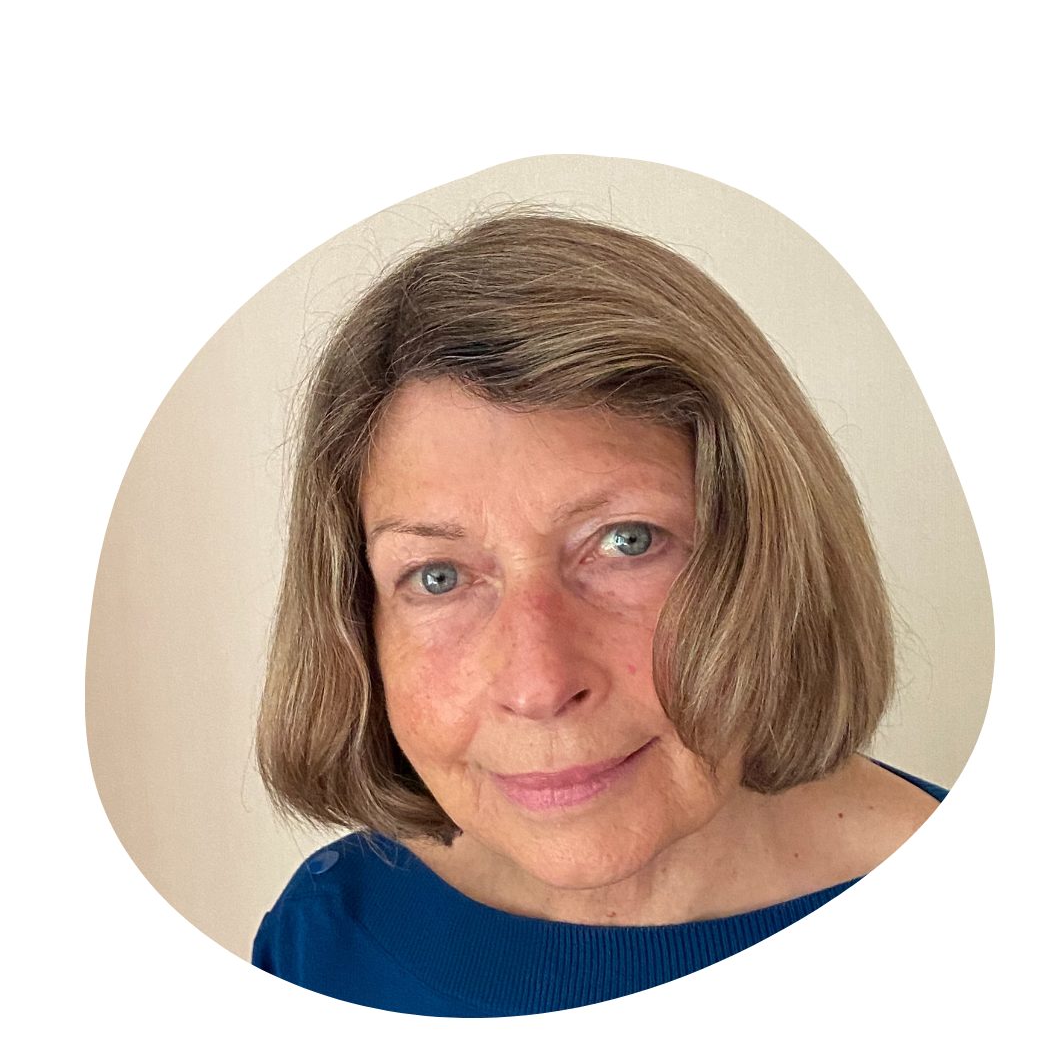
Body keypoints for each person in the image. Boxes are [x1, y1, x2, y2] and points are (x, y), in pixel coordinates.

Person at [252, 210, 946, 1016]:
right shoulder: (326, 944)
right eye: (438, 577)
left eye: (626, 542)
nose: (538, 684)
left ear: (770, 558)